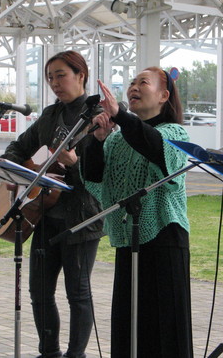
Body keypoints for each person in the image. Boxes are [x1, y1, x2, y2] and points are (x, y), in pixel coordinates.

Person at [81, 68, 193, 358]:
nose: (134, 87)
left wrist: (121, 117)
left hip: (164, 238)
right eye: (131, 82)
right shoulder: (118, 139)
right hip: (129, 240)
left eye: (143, 82)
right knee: (129, 327)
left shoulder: (175, 132)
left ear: (163, 96)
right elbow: (94, 178)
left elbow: (154, 147)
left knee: (165, 332)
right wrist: (98, 139)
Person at [1, 50, 104, 358]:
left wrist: (74, 165)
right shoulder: (50, 115)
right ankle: (49, 353)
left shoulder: (100, 116)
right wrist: (13, 170)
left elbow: (104, 174)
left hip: (83, 216)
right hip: (43, 213)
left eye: (61, 75)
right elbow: (18, 146)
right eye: (50, 78)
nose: (55, 83)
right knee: (39, 292)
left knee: (78, 294)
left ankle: (76, 356)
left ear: (81, 75)